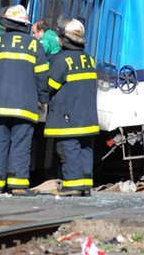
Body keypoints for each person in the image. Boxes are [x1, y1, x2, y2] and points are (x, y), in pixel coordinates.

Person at [0, 5, 48, 195]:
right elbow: (42, 77)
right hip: (25, 107)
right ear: (25, 24)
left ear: (6, 23)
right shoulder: (35, 45)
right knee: (21, 146)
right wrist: (43, 99)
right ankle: (18, 186)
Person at [42, 19, 99, 196]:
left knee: (69, 149)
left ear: (64, 40)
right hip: (88, 117)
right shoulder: (89, 60)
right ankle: (84, 186)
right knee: (85, 150)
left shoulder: (62, 60)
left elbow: (49, 86)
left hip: (68, 117)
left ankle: (72, 186)